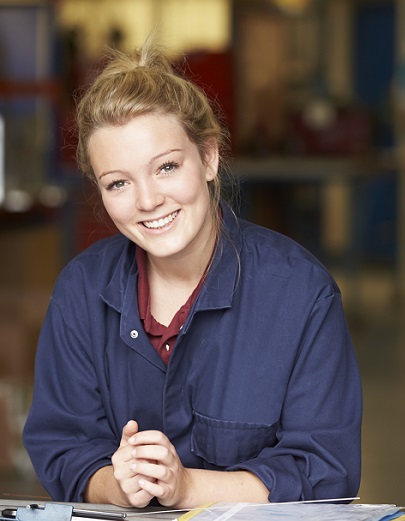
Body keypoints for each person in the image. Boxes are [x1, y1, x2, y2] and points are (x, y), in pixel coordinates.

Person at [22, 38, 362, 510]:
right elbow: (63, 448)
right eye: (118, 182)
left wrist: (187, 488)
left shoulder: (302, 294)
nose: (147, 201)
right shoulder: (81, 291)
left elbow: (326, 472)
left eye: (166, 167)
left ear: (208, 157)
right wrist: (116, 486)